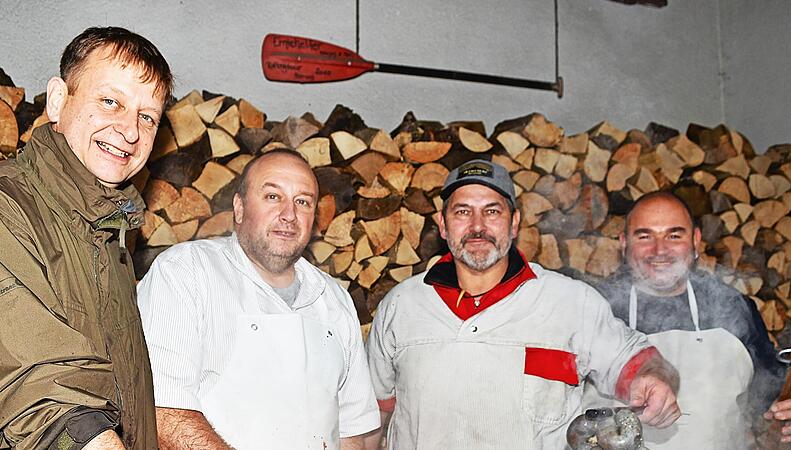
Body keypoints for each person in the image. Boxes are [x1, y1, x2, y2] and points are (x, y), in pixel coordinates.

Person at [365, 159, 680, 450]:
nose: (477, 226)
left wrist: (653, 379)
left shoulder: (570, 303)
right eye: (462, 212)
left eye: (492, 211)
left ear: (514, 223)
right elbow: (371, 416)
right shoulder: (401, 307)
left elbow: (637, 362)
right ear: (443, 225)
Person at [136, 150, 380, 450]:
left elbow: (355, 431)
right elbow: (165, 414)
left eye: (303, 201)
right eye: (273, 197)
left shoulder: (334, 300)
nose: (289, 214)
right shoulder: (186, 272)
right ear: (239, 208)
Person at [0, 27, 172, 449]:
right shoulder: (10, 209)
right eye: (111, 101)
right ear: (58, 99)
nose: (130, 131)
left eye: (147, 116)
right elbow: (46, 399)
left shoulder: (111, 237)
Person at [588, 191, 791, 448]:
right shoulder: (594, 309)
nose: (660, 250)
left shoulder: (733, 308)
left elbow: (771, 393)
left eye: (674, 235)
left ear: (696, 240)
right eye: (644, 236)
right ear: (623, 243)